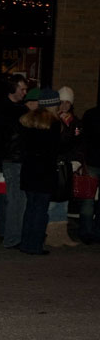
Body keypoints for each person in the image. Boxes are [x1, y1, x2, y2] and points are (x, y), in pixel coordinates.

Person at [18, 89, 63, 255]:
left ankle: (26, 243)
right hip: (45, 171)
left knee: (30, 209)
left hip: (29, 170)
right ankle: (35, 245)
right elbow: (56, 149)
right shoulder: (54, 124)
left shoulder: (27, 120)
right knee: (40, 210)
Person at [0, 74, 28, 247]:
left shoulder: (0, 108)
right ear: (13, 89)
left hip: (4, 159)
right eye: (22, 89)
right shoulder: (16, 111)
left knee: (6, 198)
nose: (24, 93)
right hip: (13, 159)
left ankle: (5, 231)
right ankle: (12, 237)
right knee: (16, 199)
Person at [45, 86, 81, 247]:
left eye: (68, 102)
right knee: (53, 200)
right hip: (54, 165)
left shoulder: (74, 122)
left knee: (64, 200)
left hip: (67, 165)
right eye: (62, 102)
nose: (65, 105)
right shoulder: (54, 120)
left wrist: (76, 160)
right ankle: (51, 234)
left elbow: (79, 144)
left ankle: (61, 233)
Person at [78, 104, 100, 243]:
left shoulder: (90, 114)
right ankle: (94, 232)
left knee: (88, 199)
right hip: (92, 161)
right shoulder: (90, 115)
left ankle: (86, 232)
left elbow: (83, 138)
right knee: (88, 199)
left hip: (91, 161)